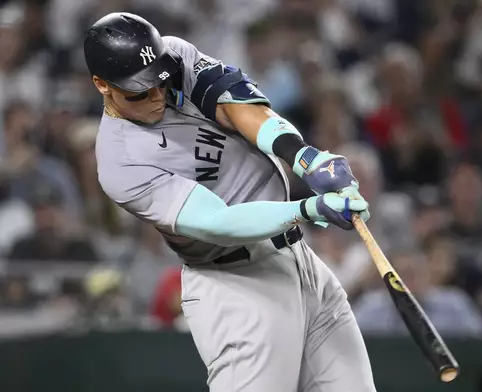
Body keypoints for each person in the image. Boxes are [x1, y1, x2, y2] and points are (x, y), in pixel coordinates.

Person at [83, 12, 376, 392]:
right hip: (237, 286)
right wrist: (308, 209)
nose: (156, 96)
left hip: (302, 264)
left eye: (159, 82)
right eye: (139, 92)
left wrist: (305, 157)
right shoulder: (119, 163)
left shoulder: (172, 55)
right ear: (101, 85)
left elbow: (238, 106)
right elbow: (218, 223)